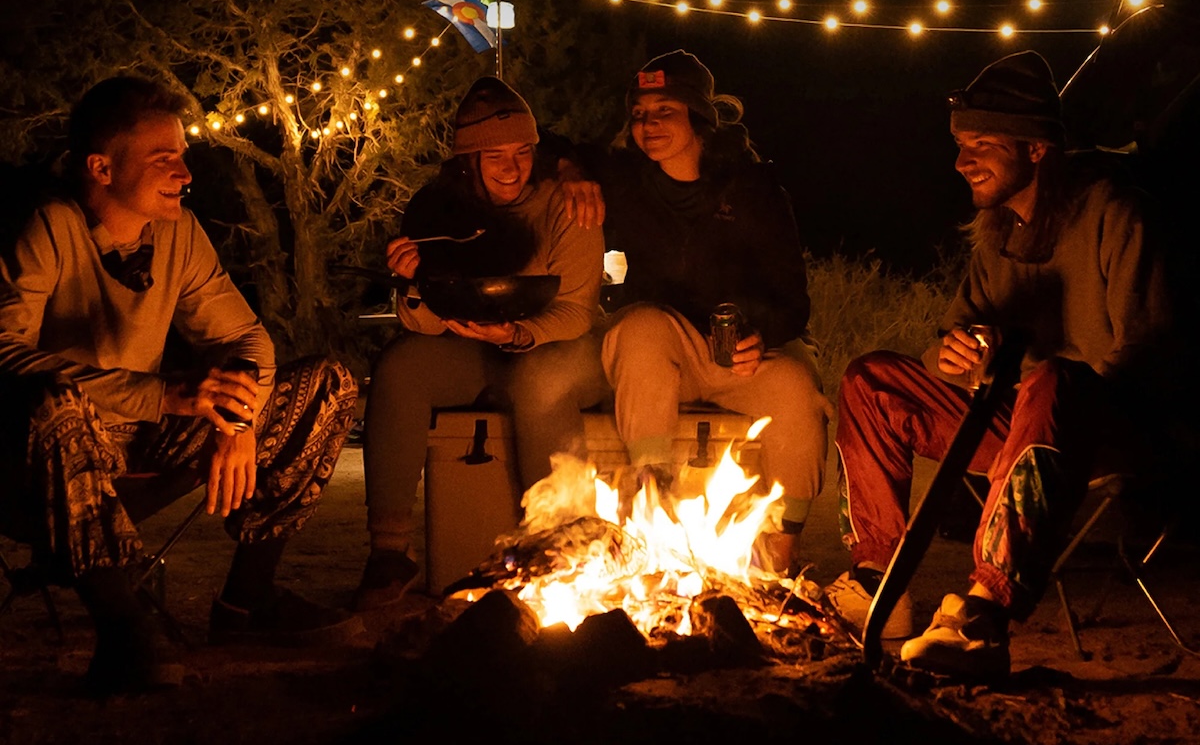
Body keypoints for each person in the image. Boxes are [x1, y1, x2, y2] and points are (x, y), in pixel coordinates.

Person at [0, 76, 361, 694]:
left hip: (139, 445)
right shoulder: (49, 227)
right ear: (102, 167)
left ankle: (247, 603)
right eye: (163, 159)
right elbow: (5, 355)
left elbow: (248, 342)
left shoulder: (177, 232)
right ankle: (125, 631)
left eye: (182, 155)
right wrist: (165, 395)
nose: (185, 173)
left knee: (327, 382)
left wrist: (239, 423)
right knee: (57, 405)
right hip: (40, 463)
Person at [828, 51, 1173, 681]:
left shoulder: (1114, 213)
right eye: (960, 144)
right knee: (871, 379)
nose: (962, 161)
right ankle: (877, 580)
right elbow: (954, 344)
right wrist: (953, 355)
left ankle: (981, 615)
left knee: (1050, 379)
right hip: (1020, 423)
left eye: (982, 143)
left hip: (1108, 434)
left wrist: (1053, 390)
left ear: (1037, 148)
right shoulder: (997, 234)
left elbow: (1149, 353)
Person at [354, 77, 606, 610]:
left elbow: (577, 312)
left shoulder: (566, 202)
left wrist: (519, 333)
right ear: (469, 159)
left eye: (521, 152)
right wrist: (415, 285)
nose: (510, 168)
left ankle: (557, 543)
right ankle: (389, 551)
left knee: (538, 377)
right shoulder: (440, 210)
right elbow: (422, 323)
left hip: (560, 344)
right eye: (494, 155)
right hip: (476, 344)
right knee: (403, 365)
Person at [594, 50, 830, 575]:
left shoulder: (753, 189)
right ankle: (652, 516)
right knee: (640, 328)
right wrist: (568, 172)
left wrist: (757, 330)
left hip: (740, 352)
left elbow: (793, 299)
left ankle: (779, 556)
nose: (648, 126)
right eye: (638, 114)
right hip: (664, 348)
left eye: (664, 111)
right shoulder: (625, 182)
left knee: (795, 391)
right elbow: (554, 152)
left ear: (698, 116)